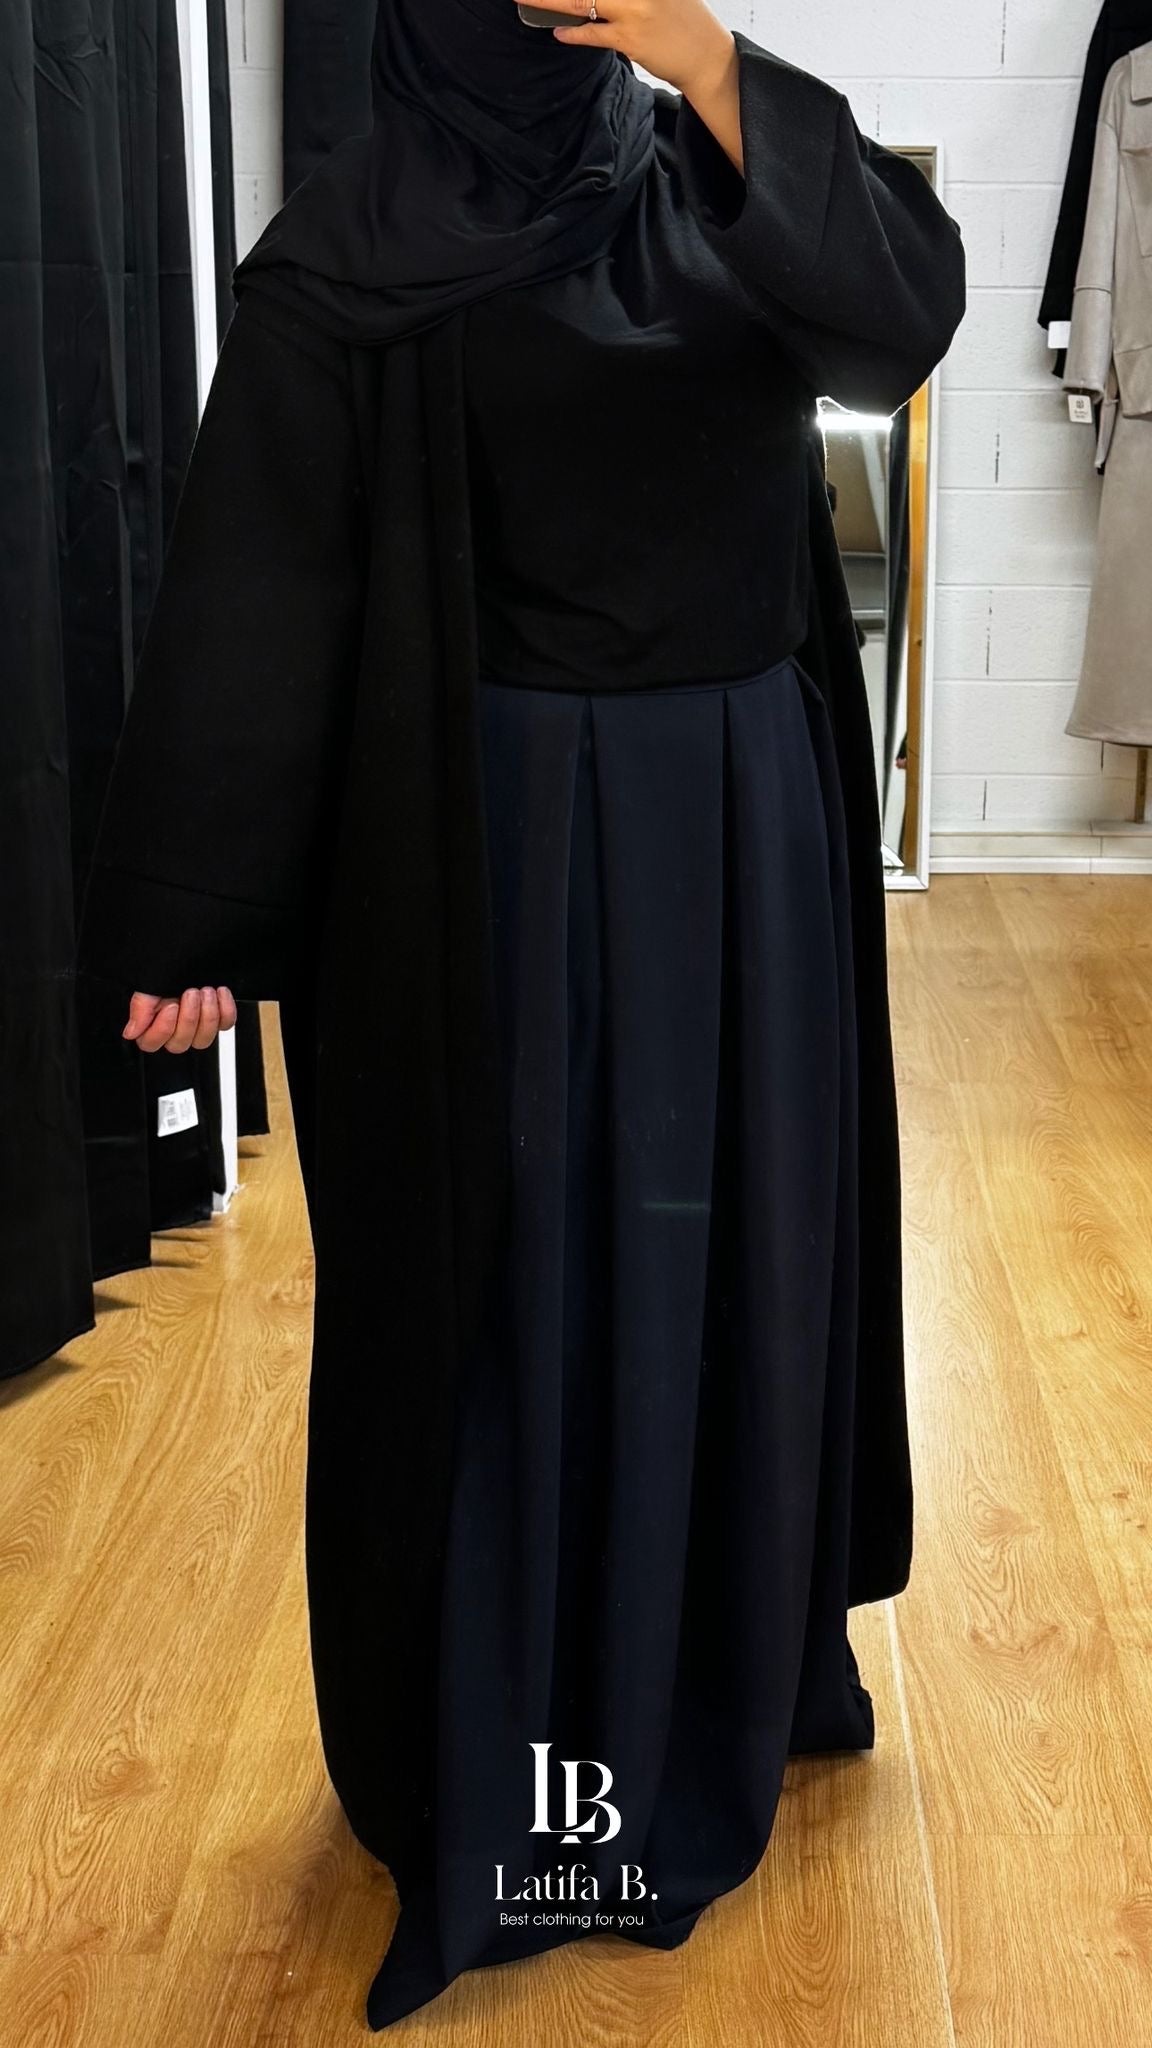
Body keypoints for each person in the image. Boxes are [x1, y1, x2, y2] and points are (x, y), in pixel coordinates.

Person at [76, 0, 967, 2028]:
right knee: (523, 1293)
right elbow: (267, 578)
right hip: (489, 864)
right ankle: (540, 1770)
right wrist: (198, 905)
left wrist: (712, 66)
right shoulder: (352, 254)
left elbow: (898, 328)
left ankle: (720, 1666)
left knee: (732, 1261)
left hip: (740, 845)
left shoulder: (717, 183)